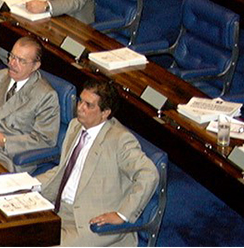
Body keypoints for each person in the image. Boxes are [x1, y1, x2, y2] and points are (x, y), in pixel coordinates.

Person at [36, 80, 159, 246]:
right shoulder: (75, 126)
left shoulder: (120, 140)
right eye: (80, 100)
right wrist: (30, 184)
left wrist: (122, 214)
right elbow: (64, 169)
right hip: (59, 208)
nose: (80, 108)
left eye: (89, 105)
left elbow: (149, 174)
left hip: (88, 222)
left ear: (105, 113)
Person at [0, 36, 60, 172]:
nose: (12, 63)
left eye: (21, 61)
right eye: (12, 56)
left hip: (9, 157)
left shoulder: (46, 96)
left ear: (35, 66)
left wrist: (4, 141)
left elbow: (45, 140)